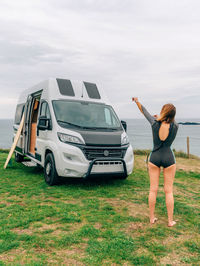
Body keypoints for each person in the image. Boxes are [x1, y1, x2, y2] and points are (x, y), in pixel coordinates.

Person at [132, 97, 179, 227]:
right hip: (169, 158)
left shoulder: (154, 122)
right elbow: (168, 123)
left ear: (163, 112)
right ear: (173, 115)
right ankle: (170, 221)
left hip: (155, 157)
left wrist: (137, 101)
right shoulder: (176, 126)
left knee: (153, 190)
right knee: (168, 191)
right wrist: (162, 117)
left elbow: (144, 111)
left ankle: (152, 218)